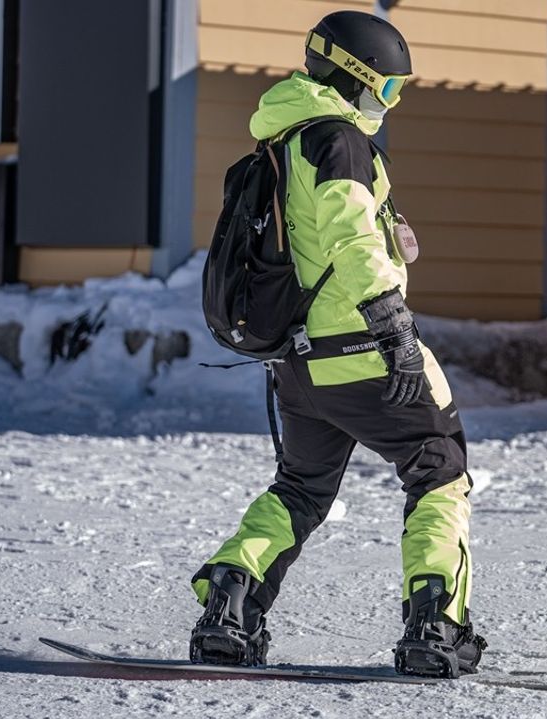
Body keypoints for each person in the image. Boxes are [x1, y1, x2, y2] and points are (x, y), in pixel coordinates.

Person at [187, 10, 484, 679]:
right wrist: (394, 324)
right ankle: (435, 624)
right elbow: (350, 236)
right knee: (439, 470)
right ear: (356, 79)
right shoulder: (338, 141)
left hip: (298, 361)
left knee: (300, 488)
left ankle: (228, 608)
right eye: (388, 90)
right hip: (362, 347)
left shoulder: (286, 140)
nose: (390, 105)